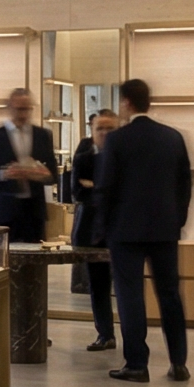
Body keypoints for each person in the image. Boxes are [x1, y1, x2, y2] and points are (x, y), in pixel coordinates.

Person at [96, 77, 192, 383]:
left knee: (130, 296)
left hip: (125, 231)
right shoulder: (173, 138)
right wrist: (177, 220)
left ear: (126, 102)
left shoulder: (117, 141)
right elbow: (185, 185)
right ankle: (179, 363)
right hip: (165, 229)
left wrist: (104, 229)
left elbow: (106, 188)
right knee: (170, 295)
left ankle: (137, 364)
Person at [0, 86, 57, 245]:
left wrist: (41, 175)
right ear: (10, 108)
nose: (23, 114)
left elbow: (52, 175)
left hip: (34, 213)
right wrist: (3, 174)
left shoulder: (43, 135)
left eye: (27, 109)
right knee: (5, 262)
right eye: (19, 109)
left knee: (36, 264)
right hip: (3, 212)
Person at [70, 108, 118, 352]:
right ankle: (106, 334)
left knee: (123, 286)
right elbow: (77, 192)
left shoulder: (125, 156)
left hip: (120, 230)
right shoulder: (84, 157)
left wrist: (95, 187)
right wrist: (103, 190)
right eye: (100, 128)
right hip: (91, 231)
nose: (105, 133)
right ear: (92, 131)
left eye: (110, 128)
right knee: (98, 286)